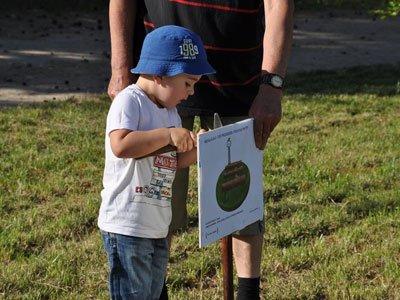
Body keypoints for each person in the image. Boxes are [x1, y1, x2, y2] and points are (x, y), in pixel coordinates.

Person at [107, 1, 294, 299]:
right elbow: (121, 145)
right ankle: (155, 291)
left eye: (195, 85)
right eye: (191, 85)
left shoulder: (175, 97)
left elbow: (278, 5)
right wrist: (120, 70)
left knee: (239, 200)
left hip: (237, 83)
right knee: (158, 204)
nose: (195, 89)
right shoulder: (143, 103)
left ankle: (247, 293)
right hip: (166, 91)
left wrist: (271, 86)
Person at [98, 25, 215, 299]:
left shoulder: (171, 114)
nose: (190, 93)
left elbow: (172, 161)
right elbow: (121, 145)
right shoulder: (130, 101)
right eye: (187, 83)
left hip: (157, 226)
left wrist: (199, 148)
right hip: (127, 225)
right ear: (161, 74)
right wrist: (167, 135)